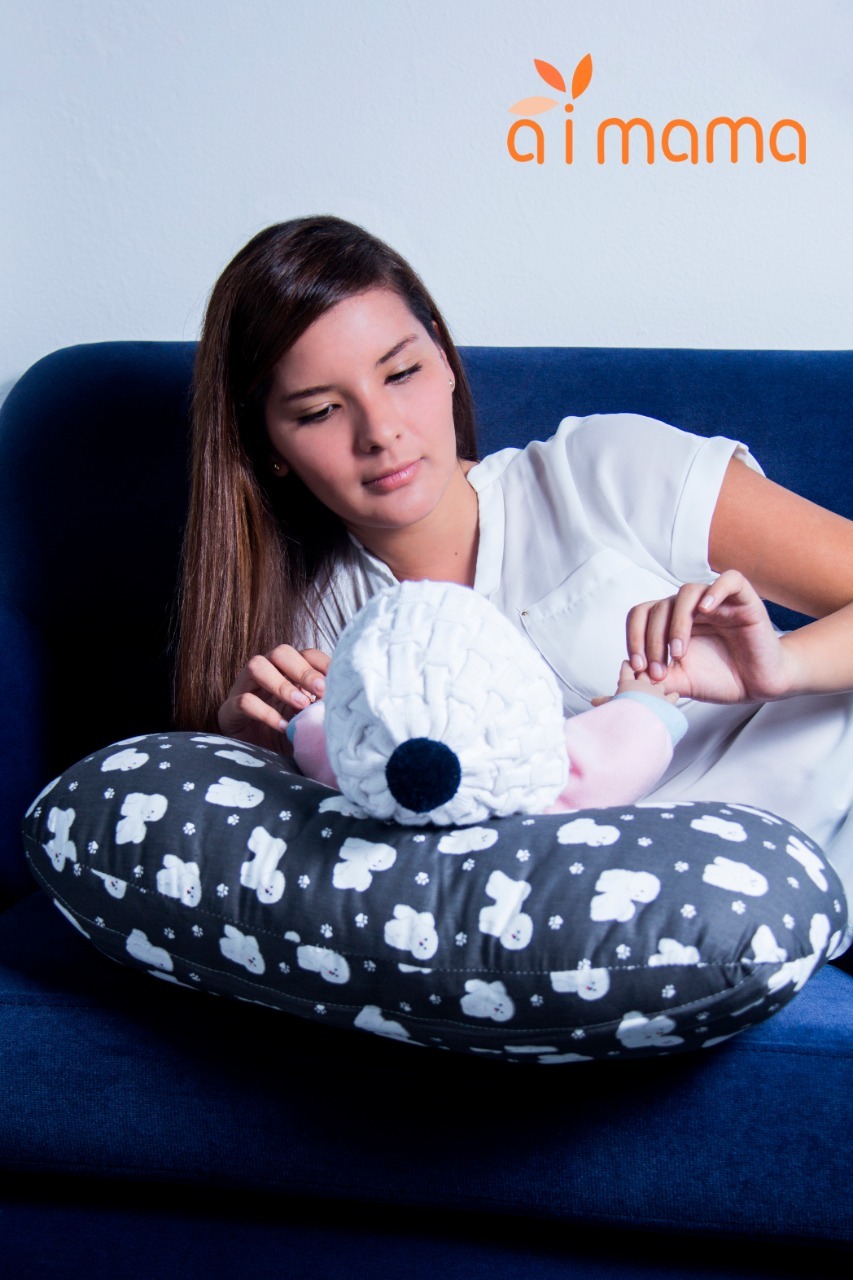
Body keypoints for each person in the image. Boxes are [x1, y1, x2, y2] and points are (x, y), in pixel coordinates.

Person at [175, 215, 853, 954]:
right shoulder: (309, 641)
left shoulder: (604, 467)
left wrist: (779, 668)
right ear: (267, 445)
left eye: (401, 373)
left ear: (444, 356)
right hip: (658, 935)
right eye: (319, 411)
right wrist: (255, 761)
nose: (380, 431)